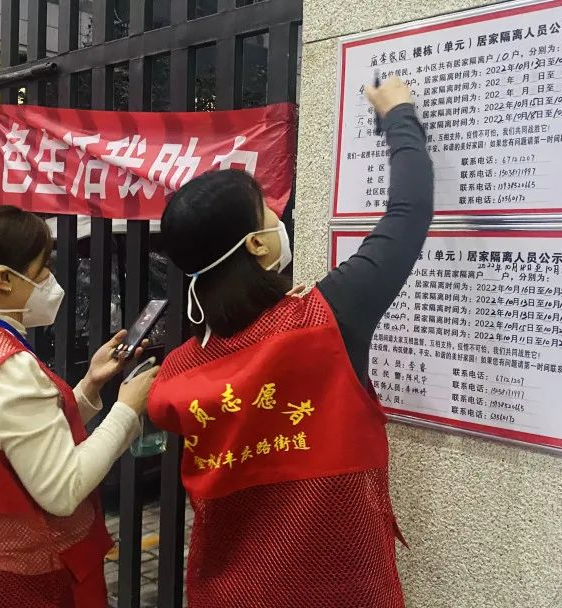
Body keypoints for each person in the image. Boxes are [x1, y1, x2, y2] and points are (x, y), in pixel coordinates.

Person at [147, 77, 432, 608]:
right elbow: (408, 213)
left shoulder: (179, 370)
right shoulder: (325, 318)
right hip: (342, 592)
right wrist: (398, 114)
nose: (279, 218)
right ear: (257, 245)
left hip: (228, 594)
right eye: (267, 211)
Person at [0, 205, 158, 608]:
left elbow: (23, 441)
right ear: (3, 279)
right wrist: (127, 410)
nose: (51, 281)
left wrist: (90, 384)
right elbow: (62, 489)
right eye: (44, 268)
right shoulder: (8, 366)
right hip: (36, 578)